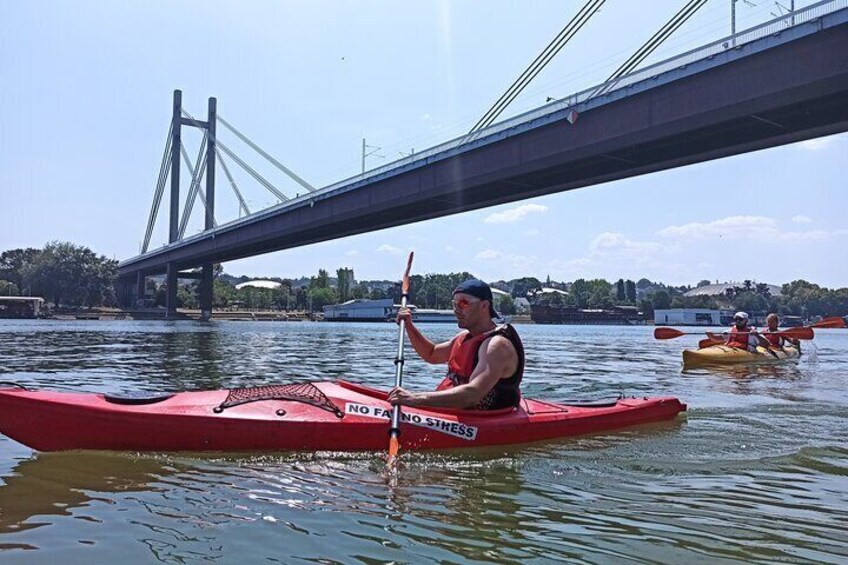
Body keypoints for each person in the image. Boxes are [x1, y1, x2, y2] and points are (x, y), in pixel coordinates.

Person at [387, 278, 524, 410]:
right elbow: (431, 354)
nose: (456, 309)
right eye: (454, 304)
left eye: (464, 303)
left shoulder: (497, 346)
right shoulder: (464, 338)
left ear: (484, 305)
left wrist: (415, 398)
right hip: (459, 413)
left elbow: (473, 394)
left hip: (489, 420)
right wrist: (409, 326)